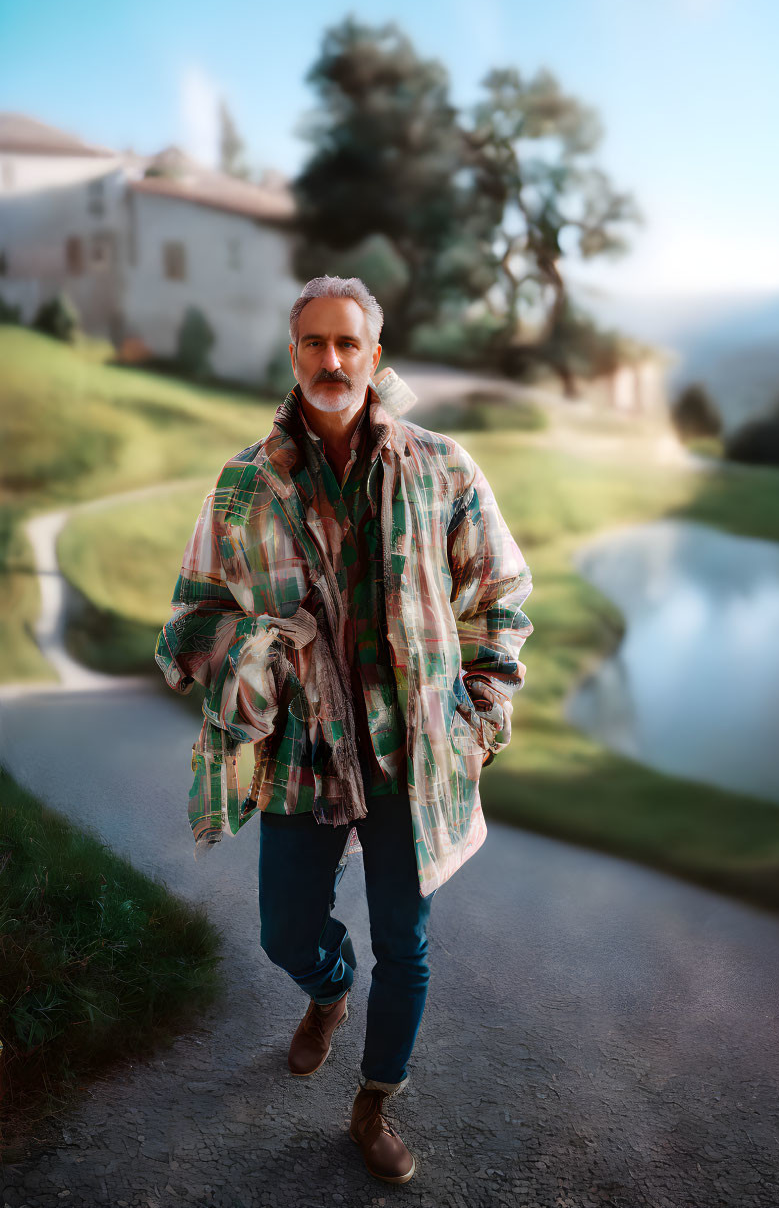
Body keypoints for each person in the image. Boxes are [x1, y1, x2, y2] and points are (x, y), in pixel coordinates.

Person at [154, 275, 533, 1185]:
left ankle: (372, 1103)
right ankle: (327, 990)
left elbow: (501, 596)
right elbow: (191, 619)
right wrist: (252, 647)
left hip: (415, 756)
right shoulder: (246, 484)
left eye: (347, 344)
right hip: (301, 753)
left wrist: (481, 714)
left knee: (405, 943)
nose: (331, 360)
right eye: (314, 344)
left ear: (374, 355)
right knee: (285, 931)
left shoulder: (441, 466)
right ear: (293, 356)